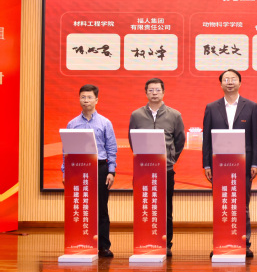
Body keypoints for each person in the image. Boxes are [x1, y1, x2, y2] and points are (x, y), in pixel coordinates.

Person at [202, 69, 257, 258]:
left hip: (243, 164)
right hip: (219, 165)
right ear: (220, 84)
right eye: (226, 79)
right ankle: (221, 242)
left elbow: (256, 137)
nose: (229, 82)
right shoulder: (211, 107)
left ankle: (244, 244)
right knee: (221, 205)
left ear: (240, 83)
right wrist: (207, 165)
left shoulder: (251, 106)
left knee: (242, 205)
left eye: (233, 79)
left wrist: (255, 163)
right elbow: (206, 139)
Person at [128, 78, 185, 257]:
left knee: (166, 208)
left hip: (165, 170)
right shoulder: (136, 115)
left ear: (163, 92)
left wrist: (170, 159)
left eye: (157, 90)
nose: (154, 93)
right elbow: (132, 139)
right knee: (144, 206)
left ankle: (166, 243)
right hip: (143, 170)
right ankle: (144, 240)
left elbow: (180, 140)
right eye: (151, 90)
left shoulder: (174, 115)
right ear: (146, 93)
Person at [62, 84, 117, 258]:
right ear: (79, 99)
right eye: (83, 97)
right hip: (77, 169)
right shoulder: (72, 124)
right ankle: (80, 242)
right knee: (79, 206)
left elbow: (111, 148)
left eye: (89, 97)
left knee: (101, 208)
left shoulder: (105, 123)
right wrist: (65, 172)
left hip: (99, 168)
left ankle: (103, 246)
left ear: (96, 100)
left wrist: (111, 171)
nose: (86, 100)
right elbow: (66, 151)